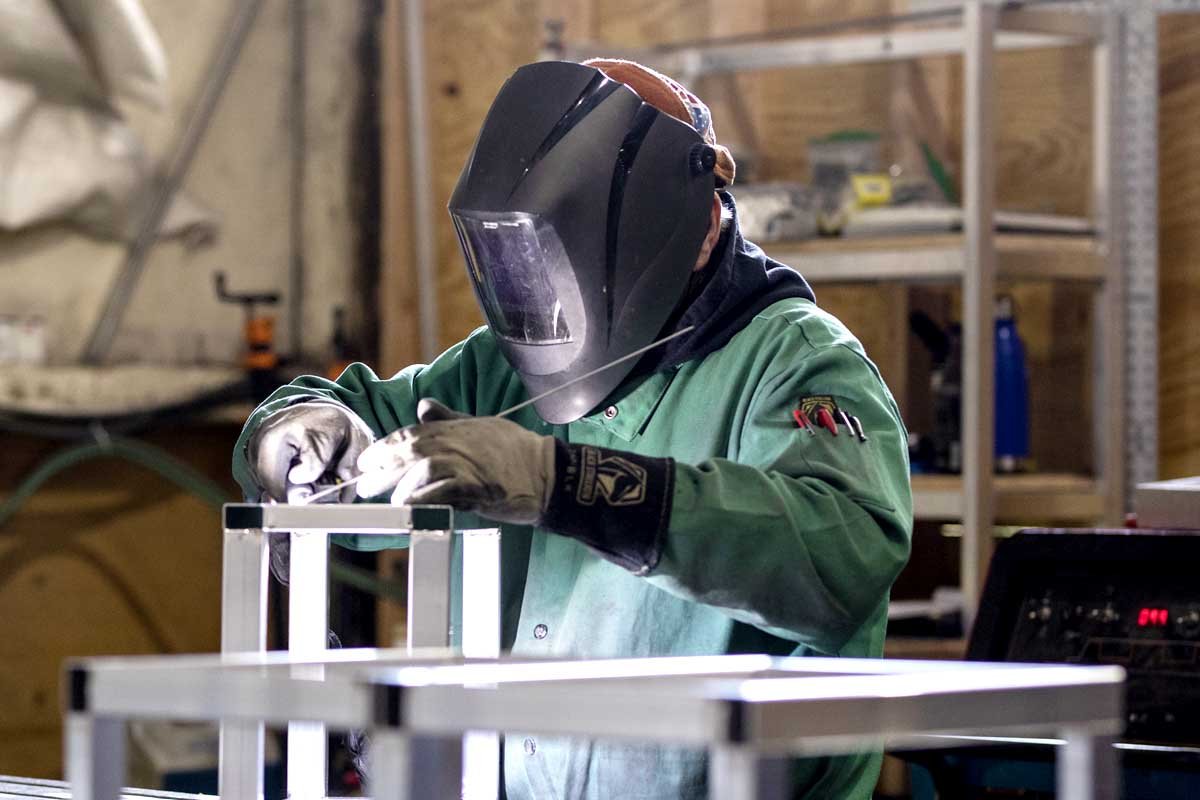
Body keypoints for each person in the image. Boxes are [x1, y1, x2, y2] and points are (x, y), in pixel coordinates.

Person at [235, 58, 912, 800]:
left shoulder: (795, 363)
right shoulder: (502, 366)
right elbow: (362, 429)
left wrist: (569, 486)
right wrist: (290, 433)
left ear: (691, 225)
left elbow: (838, 562)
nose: (539, 301)